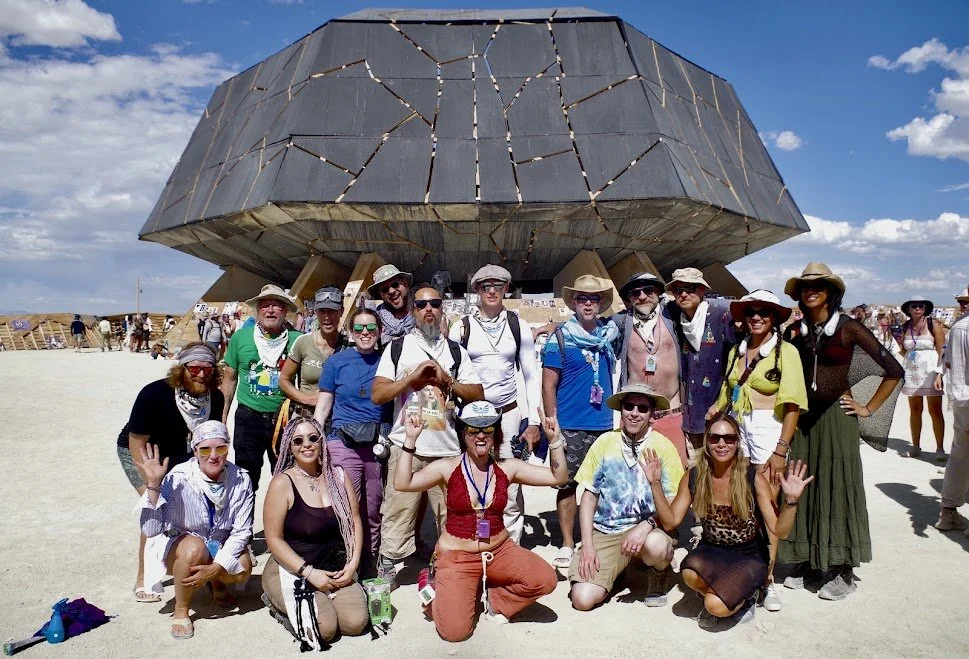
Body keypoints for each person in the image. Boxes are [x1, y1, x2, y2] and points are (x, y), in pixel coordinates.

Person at [778, 262, 903, 600]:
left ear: (831, 292)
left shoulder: (849, 329)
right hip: (804, 419)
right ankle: (806, 558)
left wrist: (867, 407)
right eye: (805, 286)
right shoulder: (795, 331)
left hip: (837, 418)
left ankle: (841, 568)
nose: (811, 290)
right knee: (802, 483)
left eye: (819, 285)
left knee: (837, 484)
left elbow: (892, 369)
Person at [394, 401, 566, 642]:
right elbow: (403, 483)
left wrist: (555, 440)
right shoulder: (447, 467)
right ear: (464, 434)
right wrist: (410, 442)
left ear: (497, 433)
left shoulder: (508, 468)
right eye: (473, 430)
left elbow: (558, 476)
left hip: (499, 550)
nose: (481, 435)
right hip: (457, 555)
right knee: (454, 633)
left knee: (545, 579)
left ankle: (495, 600)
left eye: (488, 429)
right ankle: (437, 583)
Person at [646, 414, 814, 629]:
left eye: (729, 438)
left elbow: (780, 531)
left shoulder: (753, 478)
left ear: (737, 442)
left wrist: (791, 502)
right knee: (688, 573)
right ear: (707, 441)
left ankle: (747, 597)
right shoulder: (695, 476)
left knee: (715, 606)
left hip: (749, 554)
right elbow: (670, 522)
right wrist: (656, 485)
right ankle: (728, 591)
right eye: (715, 438)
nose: (722, 444)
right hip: (712, 548)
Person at [371, 283, 484, 580]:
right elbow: (378, 394)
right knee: (398, 511)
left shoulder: (456, 352)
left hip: (446, 450)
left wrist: (448, 381)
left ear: (442, 308)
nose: (428, 310)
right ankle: (388, 567)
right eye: (421, 305)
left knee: (450, 515)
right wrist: (411, 378)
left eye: (434, 303)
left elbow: (477, 394)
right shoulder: (398, 348)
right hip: (406, 446)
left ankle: (446, 567)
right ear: (413, 311)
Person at [709, 290, 807, 612]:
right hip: (739, 427)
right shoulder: (737, 351)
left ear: (774, 317)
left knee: (768, 505)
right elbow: (729, 390)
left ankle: (768, 581)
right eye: (751, 311)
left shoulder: (785, 353)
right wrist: (715, 409)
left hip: (769, 430)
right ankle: (743, 568)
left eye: (764, 312)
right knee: (742, 500)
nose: (756, 317)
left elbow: (792, 404)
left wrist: (780, 450)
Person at [117, 342, 225, 602]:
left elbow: (210, 437)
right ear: (182, 369)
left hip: (184, 456)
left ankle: (203, 565)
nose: (201, 374)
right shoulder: (153, 394)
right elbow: (136, 441)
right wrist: (152, 481)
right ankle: (145, 578)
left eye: (208, 368)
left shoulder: (216, 396)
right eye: (195, 368)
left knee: (201, 507)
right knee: (156, 507)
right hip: (144, 454)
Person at [568, 385, 684, 611]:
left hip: (650, 529)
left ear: (652, 414)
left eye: (642, 408)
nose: (634, 413)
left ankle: (659, 574)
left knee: (657, 546)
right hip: (606, 530)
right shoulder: (604, 443)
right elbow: (589, 496)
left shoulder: (664, 447)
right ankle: (617, 572)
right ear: (621, 410)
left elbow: (672, 503)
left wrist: (647, 525)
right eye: (629, 406)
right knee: (582, 599)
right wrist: (588, 546)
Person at [449, 264, 542, 543]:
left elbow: (530, 374)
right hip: (472, 418)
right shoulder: (461, 327)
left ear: (506, 290)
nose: (492, 291)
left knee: (509, 485)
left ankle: (510, 545)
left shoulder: (518, 325)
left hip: (507, 414)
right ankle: (476, 542)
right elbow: (452, 375)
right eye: (485, 286)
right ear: (476, 290)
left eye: (498, 286)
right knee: (473, 481)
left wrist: (534, 421)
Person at [138, 421, 254, 640]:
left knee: (242, 569)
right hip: (183, 548)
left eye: (220, 448)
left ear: (228, 449)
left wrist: (216, 568)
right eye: (205, 449)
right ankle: (182, 609)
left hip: (219, 543)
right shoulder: (178, 477)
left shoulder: (241, 479)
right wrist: (153, 485)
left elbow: (242, 531)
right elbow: (151, 529)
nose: (213, 456)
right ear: (195, 451)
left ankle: (216, 581)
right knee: (194, 548)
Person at [261, 417, 368, 649]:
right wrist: (309, 573)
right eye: (297, 440)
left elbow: (355, 521)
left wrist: (353, 564)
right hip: (292, 568)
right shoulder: (282, 483)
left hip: (334, 565)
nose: (306, 445)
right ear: (289, 447)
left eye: (313, 438)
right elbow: (274, 539)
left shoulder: (338, 476)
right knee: (324, 630)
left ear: (322, 441)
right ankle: (275, 600)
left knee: (356, 623)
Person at [542, 274, 619, 568]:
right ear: (574, 302)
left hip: (603, 423)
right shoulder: (560, 338)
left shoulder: (609, 336)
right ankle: (566, 541)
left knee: (600, 485)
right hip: (570, 423)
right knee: (567, 485)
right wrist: (553, 424)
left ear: (601, 303)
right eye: (583, 299)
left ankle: (596, 537)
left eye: (594, 298)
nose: (588, 304)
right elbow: (549, 384)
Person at [314, 309, 387, 573]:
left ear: (379, 330)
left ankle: (370, 562)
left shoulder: (387, 360)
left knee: (372, 508)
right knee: (347, 505)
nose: (365, 333)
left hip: (376, 444)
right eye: (358, 329)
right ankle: (348, 561)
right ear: (350, 331)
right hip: (342, 441)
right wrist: (316, 439)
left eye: (370, 328)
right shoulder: (337, 362)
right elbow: (323, 406)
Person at [222, 284, 301, 492]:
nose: (271, 310)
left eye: (277, 305)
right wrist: (221, 420)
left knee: (286, 478)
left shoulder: (298, 340)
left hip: (284, 419)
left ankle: (282, 525)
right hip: (249, 418)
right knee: (245, 479)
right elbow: (229, 380)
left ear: (285, 311)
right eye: (265, 305)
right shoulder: (240, 338)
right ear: (258, 311)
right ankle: (243, 524)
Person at [612, 271, 687, 462]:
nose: (642, 296)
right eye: (636, 293)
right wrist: (556, 326)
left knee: (675, 472)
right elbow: (591, 325)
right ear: (629, 298)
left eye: (648, 290)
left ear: (658, 292)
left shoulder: (673, 316)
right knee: (633, 475)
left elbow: (704, 306)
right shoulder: (622, 321)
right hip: (634, 416)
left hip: (671, 413)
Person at [664, 268, 737, 460]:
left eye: (690, 288)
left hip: (718, 414)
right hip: (691, 416)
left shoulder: (722, 317)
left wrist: (722, 401)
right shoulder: (676, 319)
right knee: (696, 472)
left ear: (702, 290)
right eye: (678, 290)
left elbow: (738, 360)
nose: (684, 294)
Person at [280, 287, 347, 421]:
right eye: (322, 311)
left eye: (332, 311)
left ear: (341, 312)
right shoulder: (303, 342)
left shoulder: (349, 346)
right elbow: (283, 380)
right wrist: (307, 399)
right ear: (315, 312)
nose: (327, 317)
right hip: (306, 417)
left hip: (338, 419)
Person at [936, 286, 969, 532]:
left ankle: (948, 511)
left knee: (960, 455)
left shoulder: (958, 327)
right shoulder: (961, 326)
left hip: (962, 399)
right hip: (964, 398)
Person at [899, 298, 946, 459]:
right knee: (915, 410)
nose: (918, 308)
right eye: (914, 306)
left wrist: (940, 373)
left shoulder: (934, 324)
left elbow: (942, 350)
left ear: (925, 309)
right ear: (909, 309)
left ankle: (939, 448)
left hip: (931, 371)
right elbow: (902, 350)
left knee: (935, 410)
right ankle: (916, 446)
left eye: (921, 306)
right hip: (912, 371)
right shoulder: (905, 326)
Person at [369, 264, 414, 344]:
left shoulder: (423, 309)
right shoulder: (374, 320)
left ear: (406, 284)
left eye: (395, 285)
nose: (391, 291)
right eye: (385, 289)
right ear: (380, 295)